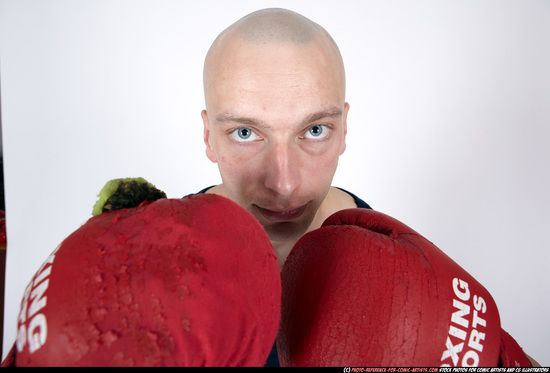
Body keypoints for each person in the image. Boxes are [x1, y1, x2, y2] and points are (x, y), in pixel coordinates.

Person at [194, 8, 539, 367]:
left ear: (343, 129)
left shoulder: (392, 265)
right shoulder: (163, 262)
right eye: (245, 133)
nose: (284, 184)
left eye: (314, 130)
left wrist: (496, 358)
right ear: (208, 135)